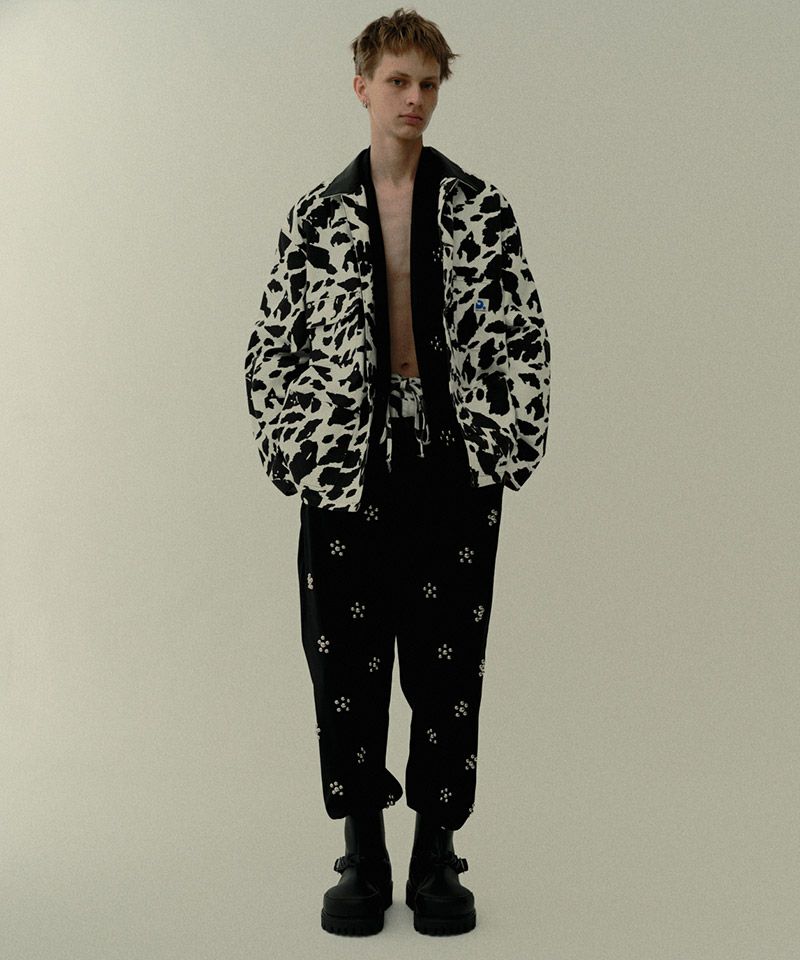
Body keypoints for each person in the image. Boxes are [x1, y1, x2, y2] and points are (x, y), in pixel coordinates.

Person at [244, 7, 551, 938]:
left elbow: (524, 338)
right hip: (347, 469)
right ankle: (363, 849)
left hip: (451, 466)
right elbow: (272, 348)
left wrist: (501, 448)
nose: (414, 99)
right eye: (397, 82)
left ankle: (436, 853)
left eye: (428, 83)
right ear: (362, 87)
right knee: (345, 655)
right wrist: (301, 452)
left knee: (447, 657)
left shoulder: (482, 210)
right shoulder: (315, 216)